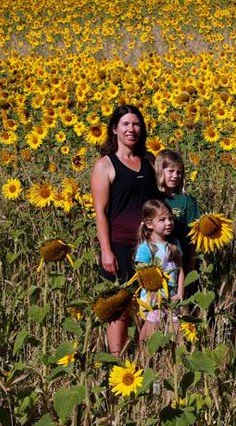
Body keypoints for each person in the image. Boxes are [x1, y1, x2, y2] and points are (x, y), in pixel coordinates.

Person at [91, 104, 160, 356]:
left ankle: (143, 362)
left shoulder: (149, 162)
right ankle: (116, 362)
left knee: (151, 308)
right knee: (118, 310)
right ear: (114, 129)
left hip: (150, 248)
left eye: (136, 124)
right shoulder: (105, 165)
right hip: (119, 245)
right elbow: (100, 211)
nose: (132, 129)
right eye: (126, 124)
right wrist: (106, 250)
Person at [134, 200, 185, 342]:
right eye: (162, 220)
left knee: (177, 336)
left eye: (170, 218)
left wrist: (180, 294)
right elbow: (143, 277)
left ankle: (175, 363)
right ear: (149, 224)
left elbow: (180, 271)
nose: (168, 222)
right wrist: (155, 297)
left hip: (173, 298)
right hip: (153, 300)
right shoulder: (145, 248)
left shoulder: (174, 244)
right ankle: (144, 360)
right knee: (150, 338)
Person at [154, 149, 200, 274]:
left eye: (179, 172)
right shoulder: (152, 198)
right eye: (171, 171)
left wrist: (190, 270)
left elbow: (193, 240)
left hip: (180, 264)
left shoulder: (187, 201)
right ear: (159, 170)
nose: (175, 176)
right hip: (153, 262)